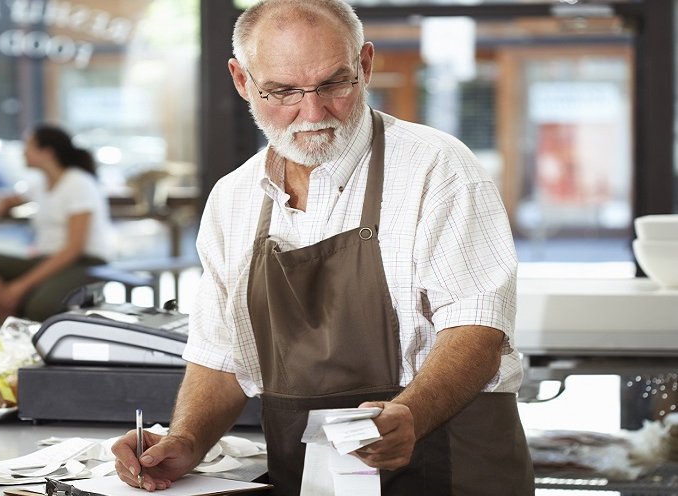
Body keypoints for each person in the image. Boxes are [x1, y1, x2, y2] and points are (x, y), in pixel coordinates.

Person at [111, 1, 534, 494]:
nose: (312, 113)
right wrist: (186, 439)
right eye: (283, 91)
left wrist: (410, 415)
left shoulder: (437, 169)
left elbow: (476, 329)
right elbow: (222, 358)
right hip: (312, 480)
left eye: (334, 84)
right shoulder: (233, 198)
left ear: (365, 65)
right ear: (242, 81)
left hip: (451, 465)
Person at [0, 124, 112, 327]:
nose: (23, 152)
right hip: (45, 257)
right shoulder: (41, 183)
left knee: (38, 307)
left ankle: (12, 322)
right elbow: (6, 200)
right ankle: (5, 319)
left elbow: (74, 249)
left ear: (46, 152)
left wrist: (21, 286)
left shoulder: (79, 183)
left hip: (84, 261)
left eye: (28, 146)